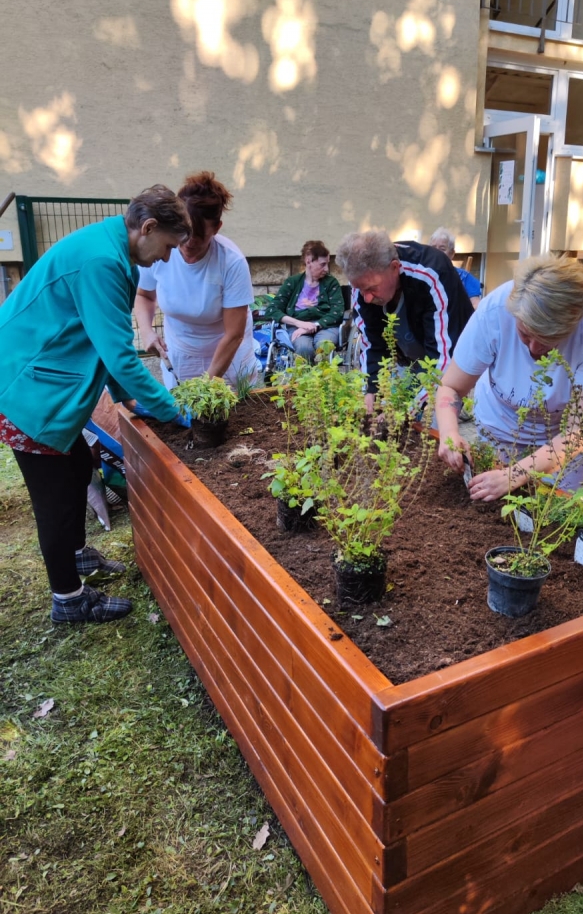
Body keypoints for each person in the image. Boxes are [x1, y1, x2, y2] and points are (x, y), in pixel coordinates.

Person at [0, 185, 192, 624]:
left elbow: (99, 341)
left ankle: (76, 554)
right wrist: (168, 409)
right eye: (167, 246)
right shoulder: (102, 261)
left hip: (41, 379)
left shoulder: (112, 248)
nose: (166, 258)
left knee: (75, 471)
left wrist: (128, 398)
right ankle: (68, 598)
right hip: (26, 389)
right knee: (53, 496)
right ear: (147, 228)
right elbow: (120, 356)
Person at [436, 254, 583, 500]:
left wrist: (515, 475)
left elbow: (580, 431)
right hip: (500, 424)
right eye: (524, 334)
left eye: (546, 340)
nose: (533, 349)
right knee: (495, 504)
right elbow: (451, 387)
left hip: (565, 434)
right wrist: (449, 433)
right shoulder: (494, 311)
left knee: (554, 507)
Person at [134, 171, 261, 390]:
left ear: (217, 228)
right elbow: (144, 294)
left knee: (228, 413)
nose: (190, 243)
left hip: (227, 355)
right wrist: (146, 331)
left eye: (200, 237)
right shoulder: (160, 249)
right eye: (185, 233)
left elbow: (234, 334)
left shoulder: (231, 262)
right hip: (181, 351)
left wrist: (206, 386)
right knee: (183, 416)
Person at [336, 230, 474, 411]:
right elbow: (372, 343)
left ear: (394, 268)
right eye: (360, 289)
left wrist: (409, 410)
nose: (366, 298)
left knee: (434, 418)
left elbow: (443, 361)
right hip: (410, 360)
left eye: (371, 289)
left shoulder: (432, 273)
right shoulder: (362, 285)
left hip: (453, 359)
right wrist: (371, 391)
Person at [260, 240, 345, 362]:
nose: (326, 269)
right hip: (297, 327)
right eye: (322, 264)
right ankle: (306, 380)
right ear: (309, 261)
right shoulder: (292, 282)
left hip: (326, 326)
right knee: (304, 349)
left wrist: (313, 325)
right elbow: (272, 310)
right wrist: (299, 324)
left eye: (327, 264)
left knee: (324, 347)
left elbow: (337, 312)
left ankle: (325, 380)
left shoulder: (331, 283)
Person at [429, 227, 482, 307]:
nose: (437, 252)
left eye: (442, 249)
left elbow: (476, 304)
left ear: (452, 254)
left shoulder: (464, 277)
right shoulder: (423, 275)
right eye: (433, 248)